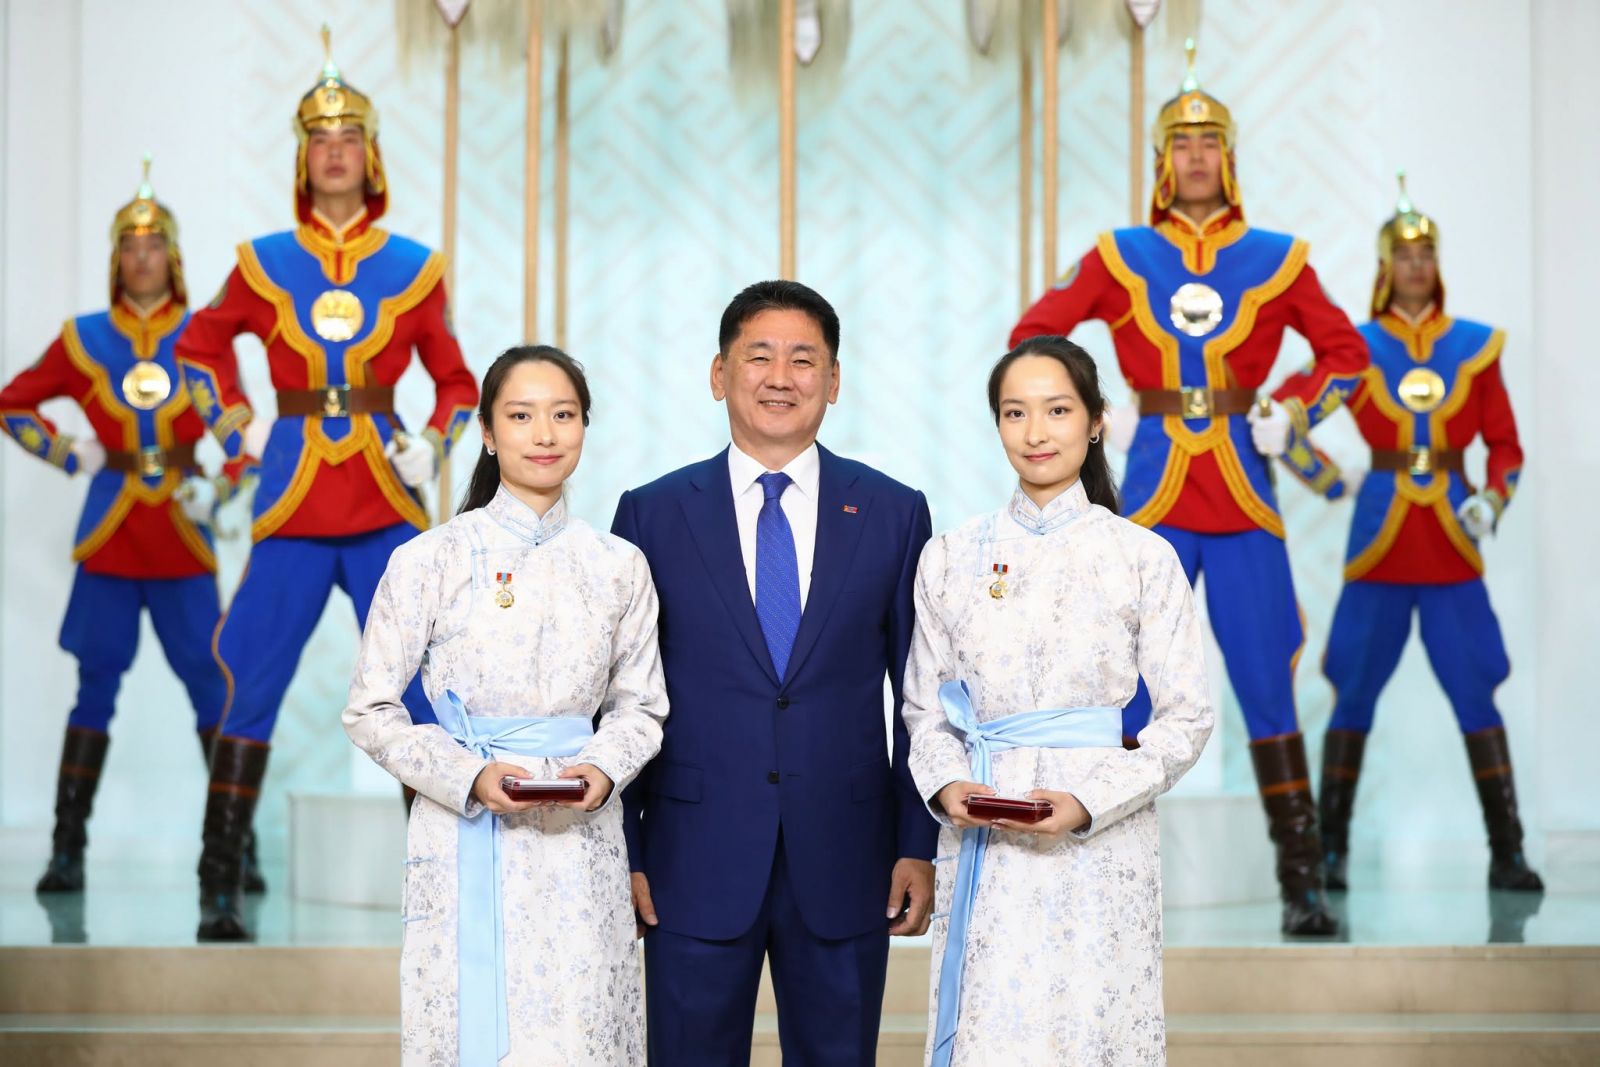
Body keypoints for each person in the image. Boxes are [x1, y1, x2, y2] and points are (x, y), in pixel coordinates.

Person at [1008, 40, 1367, 935]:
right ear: (1163, 159)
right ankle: (1094, 873)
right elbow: (1034, 334)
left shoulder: (1280, 257)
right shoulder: (1122, 253)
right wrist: (1097, 407)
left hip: (1244, 493)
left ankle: (1302, 884)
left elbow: (1347, 355)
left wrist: (1295, 408)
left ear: (1229, 158)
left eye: (1210, 142)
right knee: (1121, 683)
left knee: (1266, 676)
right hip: (1153, 496)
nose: (1197, 156)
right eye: (1182, 142)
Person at [175, 27, 478, 940]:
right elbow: (198, 346)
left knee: (421, 692)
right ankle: (219, 883)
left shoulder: (414, 266)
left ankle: (441, 886)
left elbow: (457, 382)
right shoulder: (260, 260)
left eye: (349, 137)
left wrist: (434, 442)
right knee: (249, 677)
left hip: (385, 503)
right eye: (319, 138)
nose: (335, 150)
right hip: (293, 501)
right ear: (303, 158)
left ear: (371, 155)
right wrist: (232, 425)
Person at [610, 280, 939, 1065]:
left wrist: (917, 843)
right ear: (719, 373)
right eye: (759, 356)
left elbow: (920, 696)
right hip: (689, 856)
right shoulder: (651, 513)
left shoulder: (894, 512)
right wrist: (625, 849)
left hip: (849, 855)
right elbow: (619, 699)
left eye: (804, 359)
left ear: (834, 380)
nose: (780, 377)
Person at [345, 345, 667, 1065]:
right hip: (464, 828)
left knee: (583, 1029)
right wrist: (468, 775)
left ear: (584, 427)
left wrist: (601, 768)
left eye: (564, 415)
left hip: (583, 835)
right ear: (488, 433)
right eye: (521, 416)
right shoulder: (428, 559)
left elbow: (642, 706)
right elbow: (370, 708)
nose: (544, 434)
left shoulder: (618, 564)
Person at [904, 336, 1213, 1065]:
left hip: (1101, 838)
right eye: (1015, 412)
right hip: (983, 830)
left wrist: (1088, 801)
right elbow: (925, 708)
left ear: (1097, 421)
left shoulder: (1143, 556)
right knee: (991, 1029)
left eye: (1058, 410)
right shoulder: (950, 555)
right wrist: (948, 785)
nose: (1035, 432)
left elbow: (1187, 717)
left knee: (1091, 1027)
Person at [1280, 176, 1542, 893]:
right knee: (1353, 691)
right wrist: (1331, 480)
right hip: (1380, 544)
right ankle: (1330, 853)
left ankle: (1508, 853)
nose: (1416, 265)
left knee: (1476, 688)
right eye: (1404, 254)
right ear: (1384, 266)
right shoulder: (1356, 348)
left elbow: (1506, 445)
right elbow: (1285, 415)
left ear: (1438, 263)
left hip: (1454, 541)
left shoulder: (1476, 347)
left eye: (1426, 254)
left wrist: (1492, 498)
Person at [0, 160, 245, 894]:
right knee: (94, 687)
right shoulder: (83, 339)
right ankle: (66, 849)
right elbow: (13, 403)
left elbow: (240, 436)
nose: (143, 258)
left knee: (212, 687)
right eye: (130, 246)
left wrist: (220, 488)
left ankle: (235, 849)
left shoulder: (204, 336)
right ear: (117, 257)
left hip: (182, 535)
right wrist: (66, 451)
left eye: (154, 244)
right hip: (109, 536)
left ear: (173, 254)